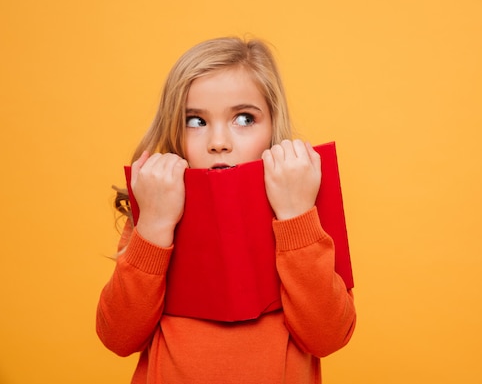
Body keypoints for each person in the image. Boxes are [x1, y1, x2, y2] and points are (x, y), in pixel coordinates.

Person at [96, 36, 356, 384]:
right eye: (196, 121)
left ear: (272, 127)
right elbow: (118, 337)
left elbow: (328, 336)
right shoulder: (156, 206)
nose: (219, 142)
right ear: (174, 129)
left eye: (244, 118)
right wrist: (155, 226)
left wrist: (296, 217)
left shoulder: (305, 206)